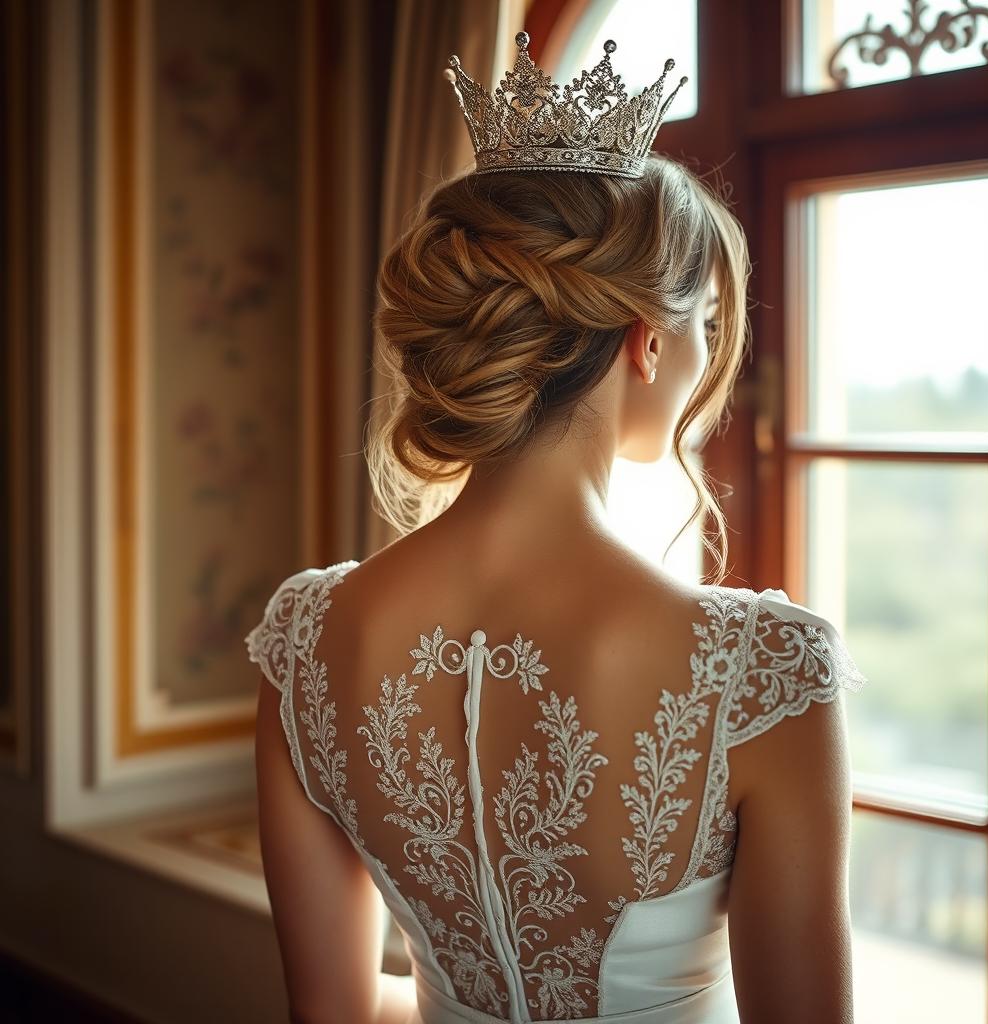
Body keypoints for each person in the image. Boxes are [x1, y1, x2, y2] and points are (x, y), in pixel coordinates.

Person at [246, 30, 868, 1024]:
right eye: (706, 320)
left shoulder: (304, 641)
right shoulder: (764, 674)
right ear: (646, 342)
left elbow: (328, 1013)